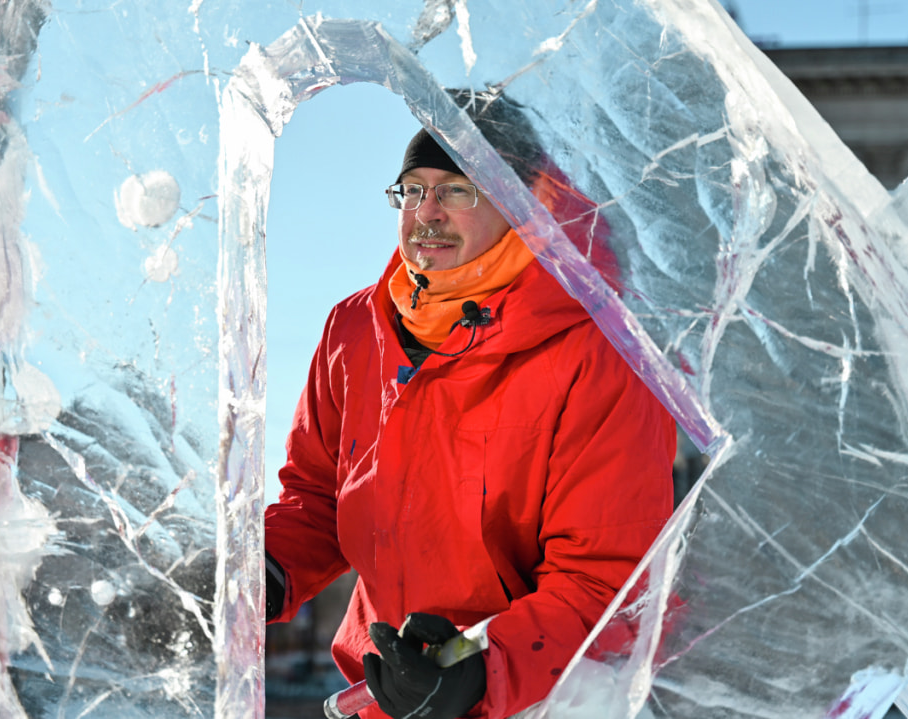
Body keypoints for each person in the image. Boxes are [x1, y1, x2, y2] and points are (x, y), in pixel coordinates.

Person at [264, 93, 675, 719]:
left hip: (535, 700)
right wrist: (264, 570)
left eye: (458, 189)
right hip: (386, 698)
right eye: (412, 190)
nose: (427, 213)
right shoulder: (355, 328)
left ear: (519, 201)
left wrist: (475, 671)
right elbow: (318, 498)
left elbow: (606, 580)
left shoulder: (597, 347)